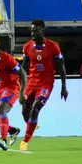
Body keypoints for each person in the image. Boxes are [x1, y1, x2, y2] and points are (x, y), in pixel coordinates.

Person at [20, 19, 68, 151]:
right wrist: (20, 88)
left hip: (46, 83)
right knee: (25, 110)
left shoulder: (53, 46)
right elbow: (23, 67)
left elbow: (61, 66)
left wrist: (64, 87)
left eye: (35, 31)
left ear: (42, 30)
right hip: (31, 82)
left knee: (36, 108)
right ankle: (33, 125)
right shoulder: (27, 46)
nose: (32, 33)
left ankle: (25, 141)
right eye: (31, 31)